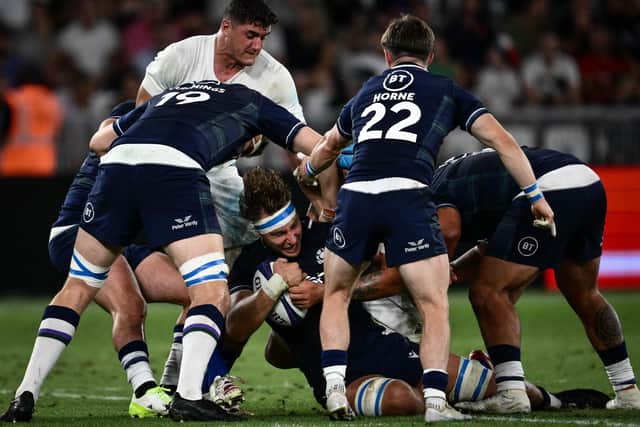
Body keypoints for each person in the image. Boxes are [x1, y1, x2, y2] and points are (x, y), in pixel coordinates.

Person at [1, 79, 323, 422]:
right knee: (212, 291)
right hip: (172, 171)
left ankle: (24, 395)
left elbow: (99, 142)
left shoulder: (167, 98)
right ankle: (188, 396)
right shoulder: (255, 104)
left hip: (116, 169)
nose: (245, 149)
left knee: (77, 288)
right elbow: (320, 146)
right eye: (250, 144)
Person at [295, 15, 555, 422]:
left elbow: (328, 146)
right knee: (433, 304)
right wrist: (535, 195)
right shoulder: (445, 89)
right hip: (408, 196)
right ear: (430, 56)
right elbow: (501, 140)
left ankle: (333, 389)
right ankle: (436, 403)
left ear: (386, 55)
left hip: (358, 196)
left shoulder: (366, 91)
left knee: (336, 294)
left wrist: (308, 172)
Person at [222, 167, 606, 417]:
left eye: (292, 226)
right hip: (344, 377)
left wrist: (333, 290)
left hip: (389, 345)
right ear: (258, 234)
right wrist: (273, 287)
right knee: (402, 400)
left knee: (506, 389)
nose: (291, 238)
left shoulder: (326, 233)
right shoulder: (248, 266)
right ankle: (459, 404)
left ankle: (558, 398)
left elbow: (390, 268)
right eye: (278, 234)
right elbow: (237, 326)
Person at [429, 147, 640, 413]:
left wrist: (433, 276)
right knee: (585, 293)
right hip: (586, 181)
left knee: (488, 293)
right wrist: (453, 267)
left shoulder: (430, 192)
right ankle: (627, 390)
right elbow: (488, 251)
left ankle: (511, 394)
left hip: (546, 188)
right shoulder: (463, 177)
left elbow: (448, 230)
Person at [135, 0, 305, 260]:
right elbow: (142, 109)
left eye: (263, 37)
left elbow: (297, 141)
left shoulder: (275, 77)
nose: (257, 46)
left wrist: (318, 193)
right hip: (166, 166)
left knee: (262, 229)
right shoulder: (182, 54)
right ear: (226, 27)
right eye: (250, 35)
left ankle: (243, 289)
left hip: (220, 170)